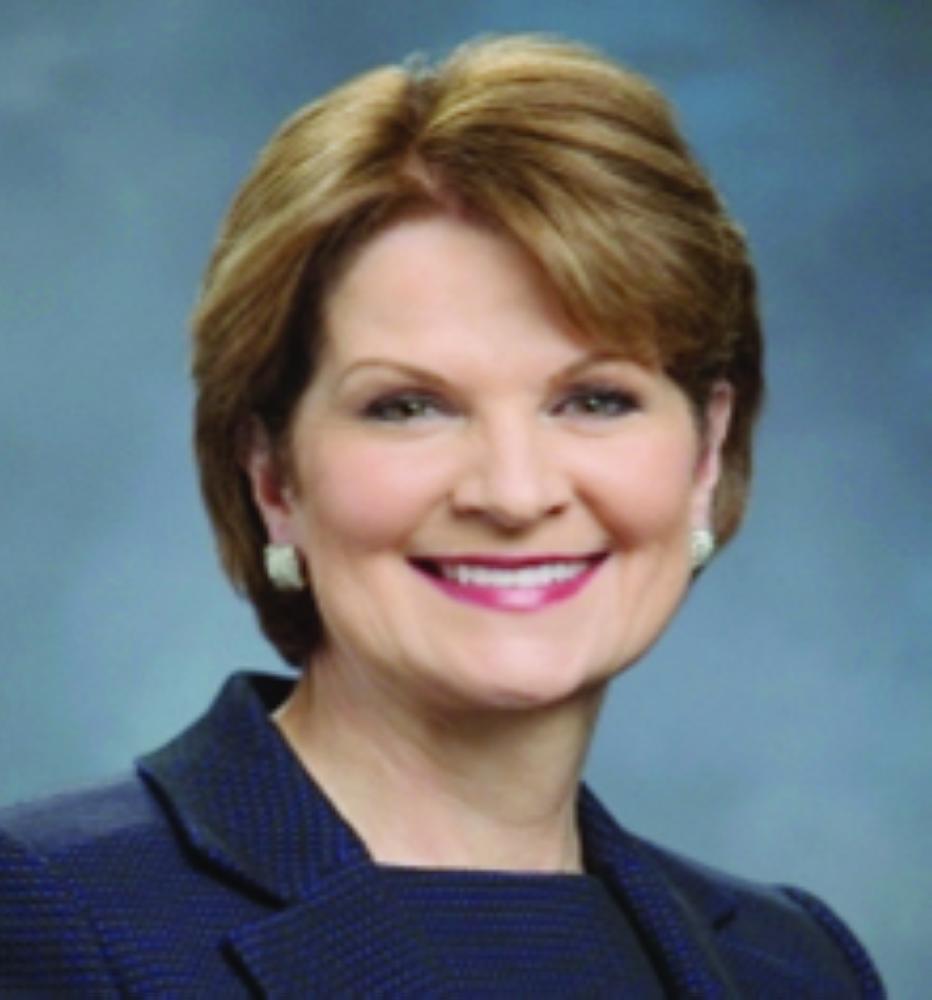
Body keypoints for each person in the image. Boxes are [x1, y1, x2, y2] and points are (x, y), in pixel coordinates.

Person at [0, 34, 884, 997]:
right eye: (409, 407)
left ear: (706, 452)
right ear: (273, 477)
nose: (513, 493)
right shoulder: (52, 912)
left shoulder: (795, 964)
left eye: (595, 399)